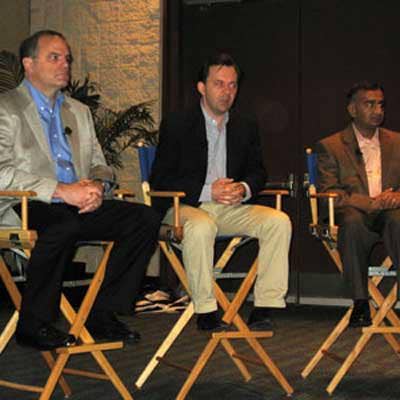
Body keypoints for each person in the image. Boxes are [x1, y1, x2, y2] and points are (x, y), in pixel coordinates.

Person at [0, 30, 161, 350]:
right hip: (28, 202)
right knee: (62, 224)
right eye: (54, 57)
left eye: (67, 58)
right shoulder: (7, 108)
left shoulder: (78, 111)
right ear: (29, 64)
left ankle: (102, 312)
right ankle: (33, 324)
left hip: (78, 203)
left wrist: (97, 186)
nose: (65, 64)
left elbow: (101, 165)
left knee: (145, 219)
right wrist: (61, 190)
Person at [150, 53, 291, 331]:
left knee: (278, 222)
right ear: (201, 87)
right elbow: (161, 179)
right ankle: (205, 310)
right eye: (219, 84)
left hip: (228, 208)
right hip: (185, 207)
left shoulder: (245, 125)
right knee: (202, 226)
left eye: (232, 85)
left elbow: (258, 172)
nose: (227, 92)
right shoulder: (178, 123)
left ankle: (265, 306)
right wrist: (208, 191)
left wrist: (244, 188)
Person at [316, 81, 400, 327]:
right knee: (352, 224)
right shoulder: (331, 146)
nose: (378, 110)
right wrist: (369, 203)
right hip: (354, 212)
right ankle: (360, 301)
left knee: (398, 220)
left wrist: (397, 197)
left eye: (381, 104)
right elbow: (329, 192)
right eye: (370, 104)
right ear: (352, 110)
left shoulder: (397, 142)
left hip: (391, 211)